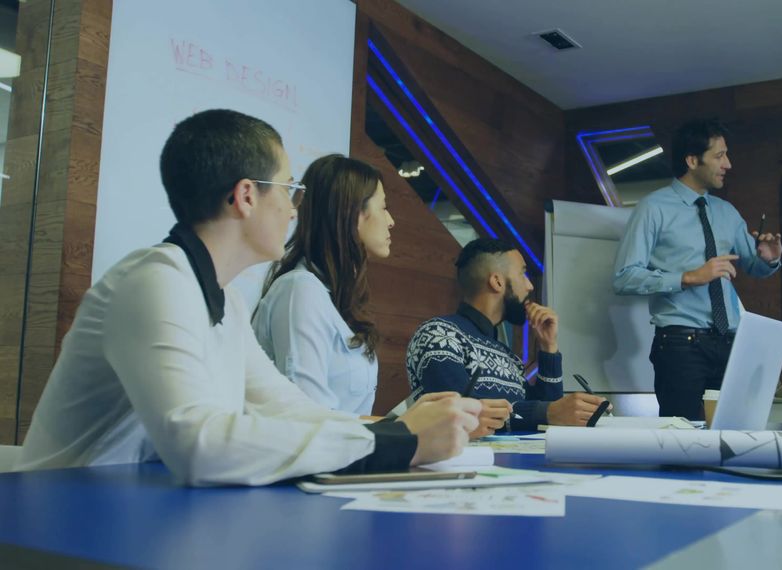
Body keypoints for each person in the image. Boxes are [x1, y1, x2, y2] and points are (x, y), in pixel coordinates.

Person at [16, 109, 479, 485]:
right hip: (54, 527)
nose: (294, 207)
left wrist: (396, 430)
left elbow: (290, 408)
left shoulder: (224, 301)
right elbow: (199, 446)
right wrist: (397, 443)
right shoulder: (153, 280)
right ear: (246, 197)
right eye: (290, 189)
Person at [612, 118, 782, 420]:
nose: (728, 164)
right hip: (679, 344)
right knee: (682, 442)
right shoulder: (653, 208)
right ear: (692, 160)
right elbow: (625, 277)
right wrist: (689, 278)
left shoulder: (726, 212)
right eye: (719, 156)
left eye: (726, 154)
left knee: (737, 435)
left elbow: (753, 267)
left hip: (731, 341)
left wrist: (768, 258)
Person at [406, 238, 608, 434]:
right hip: (461, 465)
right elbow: (460, 413)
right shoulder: (439, 334)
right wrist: (545, 412)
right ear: (497, 282)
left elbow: (549, 415)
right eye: (523, 274)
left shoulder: (508, 357)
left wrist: (549, 348)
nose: (529, 286)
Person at [252, 154, 392, 416]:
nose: (391, 220)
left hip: (343, 453)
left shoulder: (333, 293)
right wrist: (405, 429)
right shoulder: (300, 290)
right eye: (383, 207)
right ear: (353, 213)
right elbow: (309, 415)